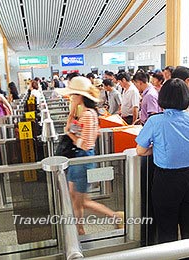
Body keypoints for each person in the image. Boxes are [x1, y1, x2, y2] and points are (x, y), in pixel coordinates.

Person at [136, 78, 189, 260]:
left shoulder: (155, 121)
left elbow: (140, 150)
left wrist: (158, 148)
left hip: (166, 179)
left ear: (163, 97)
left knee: (166, 225)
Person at [56, 76, 123, 235]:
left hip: (83, 158)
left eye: (73, 95)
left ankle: (111, 218)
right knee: (75, 197)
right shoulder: (88, 113)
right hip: (80, 159)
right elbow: (91, 134)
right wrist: (72, 114)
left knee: (82, 201)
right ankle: (81, 229)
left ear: (80, 96)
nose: (71, 97)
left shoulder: (87, 115)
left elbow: (84, 144)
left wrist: (69, 133)